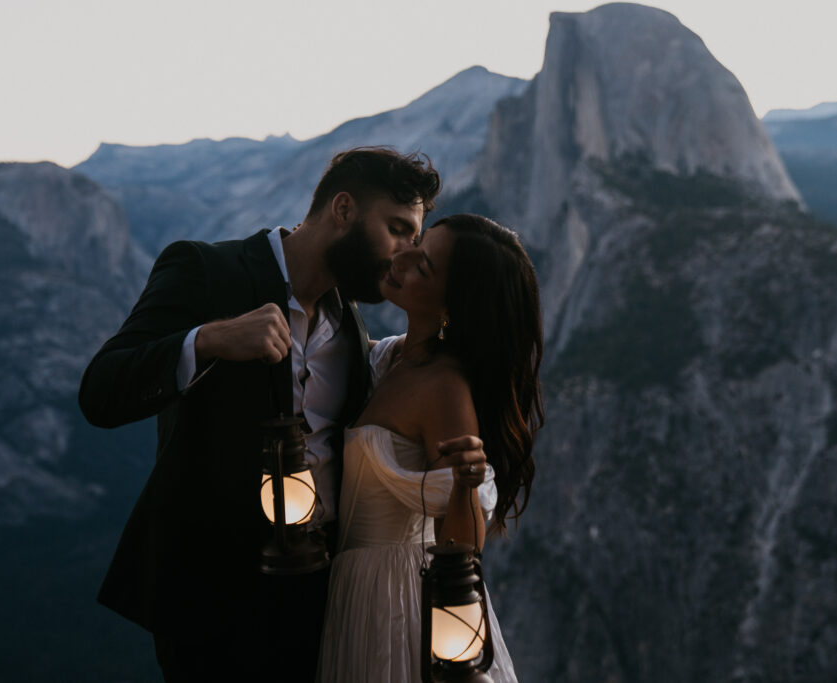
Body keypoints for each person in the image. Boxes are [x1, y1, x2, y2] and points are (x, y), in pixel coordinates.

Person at [78, 147, 492, 682]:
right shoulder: (207, 269)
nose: (401, 255)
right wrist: (208, 340)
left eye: (414, 240)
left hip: (321, 604)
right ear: (342, 209)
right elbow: (100, 392)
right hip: (208, 606)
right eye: (395, 229)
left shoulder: (353, 330)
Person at [317, 214, 544, 683]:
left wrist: (465, 483)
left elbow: (462, 547)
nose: (401, 256)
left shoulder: (444, 388)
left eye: (423, 266)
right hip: (355, 591)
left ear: (452, 306)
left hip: (402, 601)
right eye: (416, 243)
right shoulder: (389, 356)